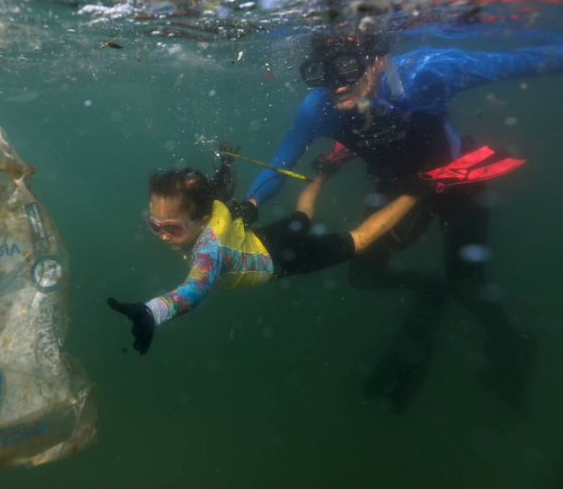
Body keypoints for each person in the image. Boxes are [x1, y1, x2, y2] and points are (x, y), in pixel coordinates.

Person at [237, 29, 563, 412]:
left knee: (466, 282)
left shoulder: (429, 72)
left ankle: (512, 344)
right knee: (363, 273)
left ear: (378, 59)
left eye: (345, 67)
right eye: (323, 73)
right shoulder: (318, 108)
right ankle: (430, 292)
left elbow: (524, 61)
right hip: (401, 192)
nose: (336, 86)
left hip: (458, 184)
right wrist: (250, 203)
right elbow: (281, 163)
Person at [107, 157, 420, 356]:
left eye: (172, 228)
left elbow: (194, 289)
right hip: (263, 239)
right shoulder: (210, 207)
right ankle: (326, 169)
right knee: (303, 216)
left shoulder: (208, 250)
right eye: (154, 225)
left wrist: (153, 311)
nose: (162, 235)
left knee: (360, 240)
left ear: (201, 221)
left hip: (281, 260)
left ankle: (419, 191)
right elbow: (217, 198)